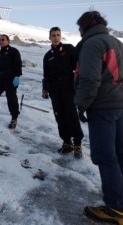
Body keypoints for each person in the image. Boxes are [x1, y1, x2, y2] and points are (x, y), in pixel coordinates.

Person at [74, 11, 123, 224]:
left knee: (105, 155)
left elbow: (89, 78)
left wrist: (81, 105)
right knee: (120, 153)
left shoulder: (93, 43)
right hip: (119, 104)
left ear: (84, 27)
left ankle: (116, 209)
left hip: (102, 106)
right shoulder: (116, 41)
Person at [42, 26, 84, 158]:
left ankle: (77, 144)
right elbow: (46, 74)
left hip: (68, 88)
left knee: (71, 115)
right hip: (55, 90)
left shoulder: (69, 49)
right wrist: (45, 88)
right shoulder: (48, 56)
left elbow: (78, 66)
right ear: (49, 37)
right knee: (59, 116)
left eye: (58, 35)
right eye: (53, 35)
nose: (55, 37)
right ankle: (67, 142)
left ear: (60, 36)